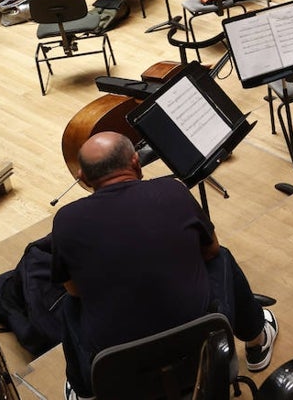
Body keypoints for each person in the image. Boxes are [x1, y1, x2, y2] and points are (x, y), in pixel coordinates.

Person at [52, 132, 278, 400]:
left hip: (120, 367)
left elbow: (75, 290)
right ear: (136, 163)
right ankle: (256, 338)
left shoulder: (66, 220)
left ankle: (85, 391)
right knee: (222, 257)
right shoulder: (172, 191)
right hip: (200, 347)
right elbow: (212, 250)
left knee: (70, 304)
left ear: (83, 178)